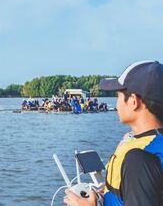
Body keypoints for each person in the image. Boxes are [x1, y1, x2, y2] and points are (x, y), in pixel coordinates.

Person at [64, 60, 163, 206]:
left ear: (133, 101)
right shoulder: (146, 144)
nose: (117, 104)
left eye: (118, 96)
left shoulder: (138, 159)